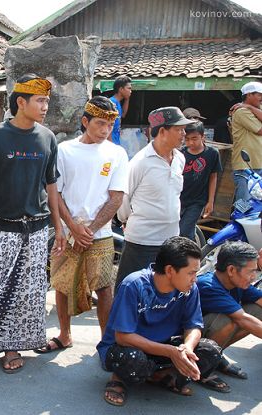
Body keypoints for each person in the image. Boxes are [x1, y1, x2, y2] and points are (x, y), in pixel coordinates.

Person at [0, 74, 66, 377]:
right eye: (40, 100)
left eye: (47, 100)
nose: (45, 106)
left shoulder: (47, 138)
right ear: (21, 102)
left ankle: (13, 347)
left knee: (28, 292)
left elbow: (51, 187)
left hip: (36, 230)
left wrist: (58, 228)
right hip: (0, 227)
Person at [40, 96, 127, 354]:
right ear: (85, 121)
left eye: (109, 126)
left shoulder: (117, 153)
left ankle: (106, 341)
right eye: (100, 124)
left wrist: (88, 231)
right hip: (67, 233)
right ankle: (64, 335)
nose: (104, 131)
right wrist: (73, 228)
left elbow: (117, 197)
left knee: (103, 286)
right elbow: (56, 193)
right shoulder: (65, 150)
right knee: (62, 283)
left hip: (100, 234)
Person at [98, 236, 222, 406]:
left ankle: (157, 374)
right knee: (132, 358)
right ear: (170, 270)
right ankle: (118, 378)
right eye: (191, 273)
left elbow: (193, 325)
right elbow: (123, 337)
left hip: (165, 347)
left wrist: (187, 347)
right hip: (128, 348)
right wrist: (170, 352)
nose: (195, 278)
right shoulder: (134, 285)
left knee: (211, 350)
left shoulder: (190, 288)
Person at [116, 107, 195, 289]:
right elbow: (124, 197)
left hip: (170, 239)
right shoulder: (140, 162)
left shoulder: (180, 159)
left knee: (164, 290)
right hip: (141, 241)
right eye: (178, 129)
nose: (184, 134)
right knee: (131, 290)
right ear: (162, 131)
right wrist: (126, 220)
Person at [197, 242, 261, 391]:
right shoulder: (209, 285)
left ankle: (215, 356)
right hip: (185, 338)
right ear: (231, 269)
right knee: (231, 320)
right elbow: (243, 319)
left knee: (257, 311)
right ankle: (203, 367)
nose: (253, 277)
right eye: (250, 272)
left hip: (207, 335)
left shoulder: (238, 282)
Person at [179, 121, 222, 241]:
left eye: (194, 138)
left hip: (197, 201)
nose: (190, 142)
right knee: (178, 231)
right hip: (179, 198)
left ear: (203, 136)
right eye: (187, 139)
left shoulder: (212, 153)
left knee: (185, 231)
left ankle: (189, 257)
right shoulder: (180, 153)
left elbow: (213, 177)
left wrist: (210, 201)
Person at [230, 81, 262, 202]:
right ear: (249, 95)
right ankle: (239, 220)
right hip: (246, 166)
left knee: (257, 203)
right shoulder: (241, 112)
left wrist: (250, 107)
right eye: (259, 95)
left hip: (258, 163)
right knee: (244, 202)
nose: (261, 98)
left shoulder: (252, 109)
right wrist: (248, 108)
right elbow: (260, 131)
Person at [109, 75, 132, 145]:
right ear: (121, 89)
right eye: (129, 88)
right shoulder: (111, 103)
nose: (131, 91)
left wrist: (127, 99)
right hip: (110, 144)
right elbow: (108, 126)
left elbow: (123, 114)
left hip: (116, 142)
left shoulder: (117, 103)